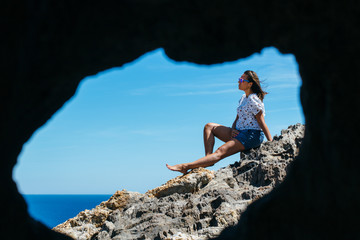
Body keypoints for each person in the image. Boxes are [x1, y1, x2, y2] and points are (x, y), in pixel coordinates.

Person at [166, 70, 272, 174]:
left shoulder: (253, 100)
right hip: (239, 132)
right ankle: (208, 159)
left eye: (241, 79)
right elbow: (238, 118)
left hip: (251, 135)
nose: (238, 81)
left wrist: (271, 143)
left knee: (220, 151)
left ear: (250, 84)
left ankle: (185, 166)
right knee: (209, 126)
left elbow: (261, 122)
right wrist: (233, 129)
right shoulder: (243, 98)